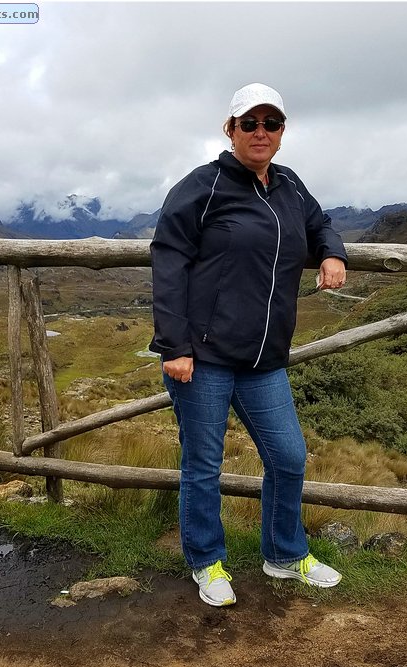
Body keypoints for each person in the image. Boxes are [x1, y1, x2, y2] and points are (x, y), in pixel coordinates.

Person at [149, 83, 348, 607]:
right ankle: (207, 563)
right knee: (203, 465)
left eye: (271, 123)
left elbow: (319, 223)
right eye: (250, 123)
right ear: (230, 129)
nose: (261, 133)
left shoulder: (289, 185)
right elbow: (168, 260)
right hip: (204, 354)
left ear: (283, 131)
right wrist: (175, 346)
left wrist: (332, 253)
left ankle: (284, 555)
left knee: (288, 457)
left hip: (265, 358)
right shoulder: (203, 186)